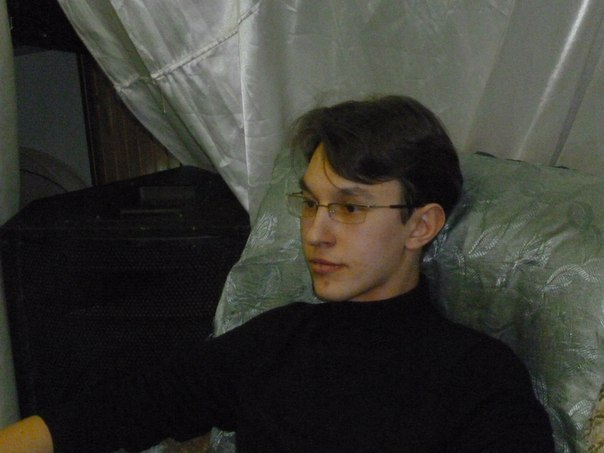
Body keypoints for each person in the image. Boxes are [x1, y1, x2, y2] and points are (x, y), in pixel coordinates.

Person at [0, 95, 553, 452]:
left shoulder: (476, 378)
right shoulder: (278, 341)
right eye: (310, 203)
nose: (316, 232)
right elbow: (128, 404)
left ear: (421, 225)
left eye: (350, 208)